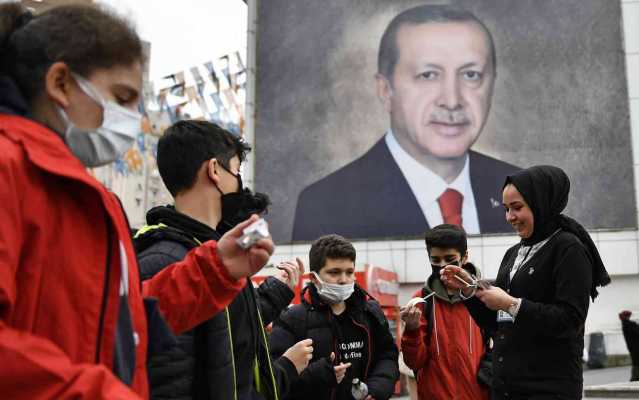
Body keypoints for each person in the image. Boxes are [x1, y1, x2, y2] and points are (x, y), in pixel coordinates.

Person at [0, 4, 274, 398]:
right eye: (121, 97)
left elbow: (116, 324)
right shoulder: (11, 170)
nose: (133, 119)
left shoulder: (91, 198)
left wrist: (213, 271)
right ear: (60, 82)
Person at [293, 4, 519, 241]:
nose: (452, 101)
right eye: (428, 75)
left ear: (492, 84)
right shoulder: (327, 206)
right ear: (386, 90)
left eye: (471, 75)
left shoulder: (524, 191)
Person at [134, 120, 311, 400]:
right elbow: (166, 385)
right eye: (237, 171)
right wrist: (287, 367)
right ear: (215, 170)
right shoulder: (166, 259)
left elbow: (225, 329)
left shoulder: (213, 254)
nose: (241, 185)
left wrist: (278, 290)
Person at [441, 165, 611, 399]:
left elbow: (570, 320)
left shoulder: (568, 249)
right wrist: (469, 292)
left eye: (517, 207)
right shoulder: (513, 254)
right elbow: (496, 322)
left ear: (542, 203)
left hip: (548, 389)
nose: (510, 217)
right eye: (506, 209)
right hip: (507, 389)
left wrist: (511, 303)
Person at [270, 235, 399, 400]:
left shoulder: (370, 312)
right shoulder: (291, 319)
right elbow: (275, 379)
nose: (344, 280)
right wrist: (320, 375)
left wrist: (377, 389)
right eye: (334, 272)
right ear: (313, 278)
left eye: (349, 272)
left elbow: (387, 356)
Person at [400, 224, 489, 399]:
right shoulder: (421, 300)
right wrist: (411, 330)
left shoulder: (485, 295)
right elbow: (414, 362)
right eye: (435, 260)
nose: (442, 266)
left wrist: (488, 377)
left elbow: (501, 345)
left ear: (464, 257)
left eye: (449, 258)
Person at [619, 310, 639, 381]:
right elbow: (637, 332)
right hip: (637, 347)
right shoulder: (628, 324)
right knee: (638, 361)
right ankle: (635, 376)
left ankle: (637, 376)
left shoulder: (626, 324)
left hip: (634, 347)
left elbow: (636, 330)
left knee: (637, 361)